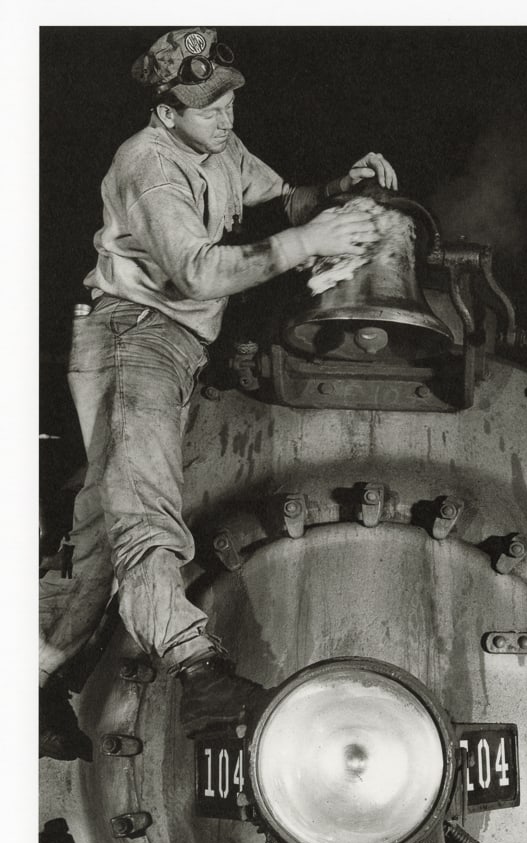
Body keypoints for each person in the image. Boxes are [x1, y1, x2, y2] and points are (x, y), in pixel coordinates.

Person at [39, 26, 399, 761]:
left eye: (229, 102)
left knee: (102, 538)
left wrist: (337, 189)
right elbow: (198, 274)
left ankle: (34, 679)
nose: (224, 117)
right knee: (145, 511)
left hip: (171, 346)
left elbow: (283, 200)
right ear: (167, 112)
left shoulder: (219, 147)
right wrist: (309, 244)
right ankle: (199, 672)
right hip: (131, 336)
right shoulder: (146, 164)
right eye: (206, 109)